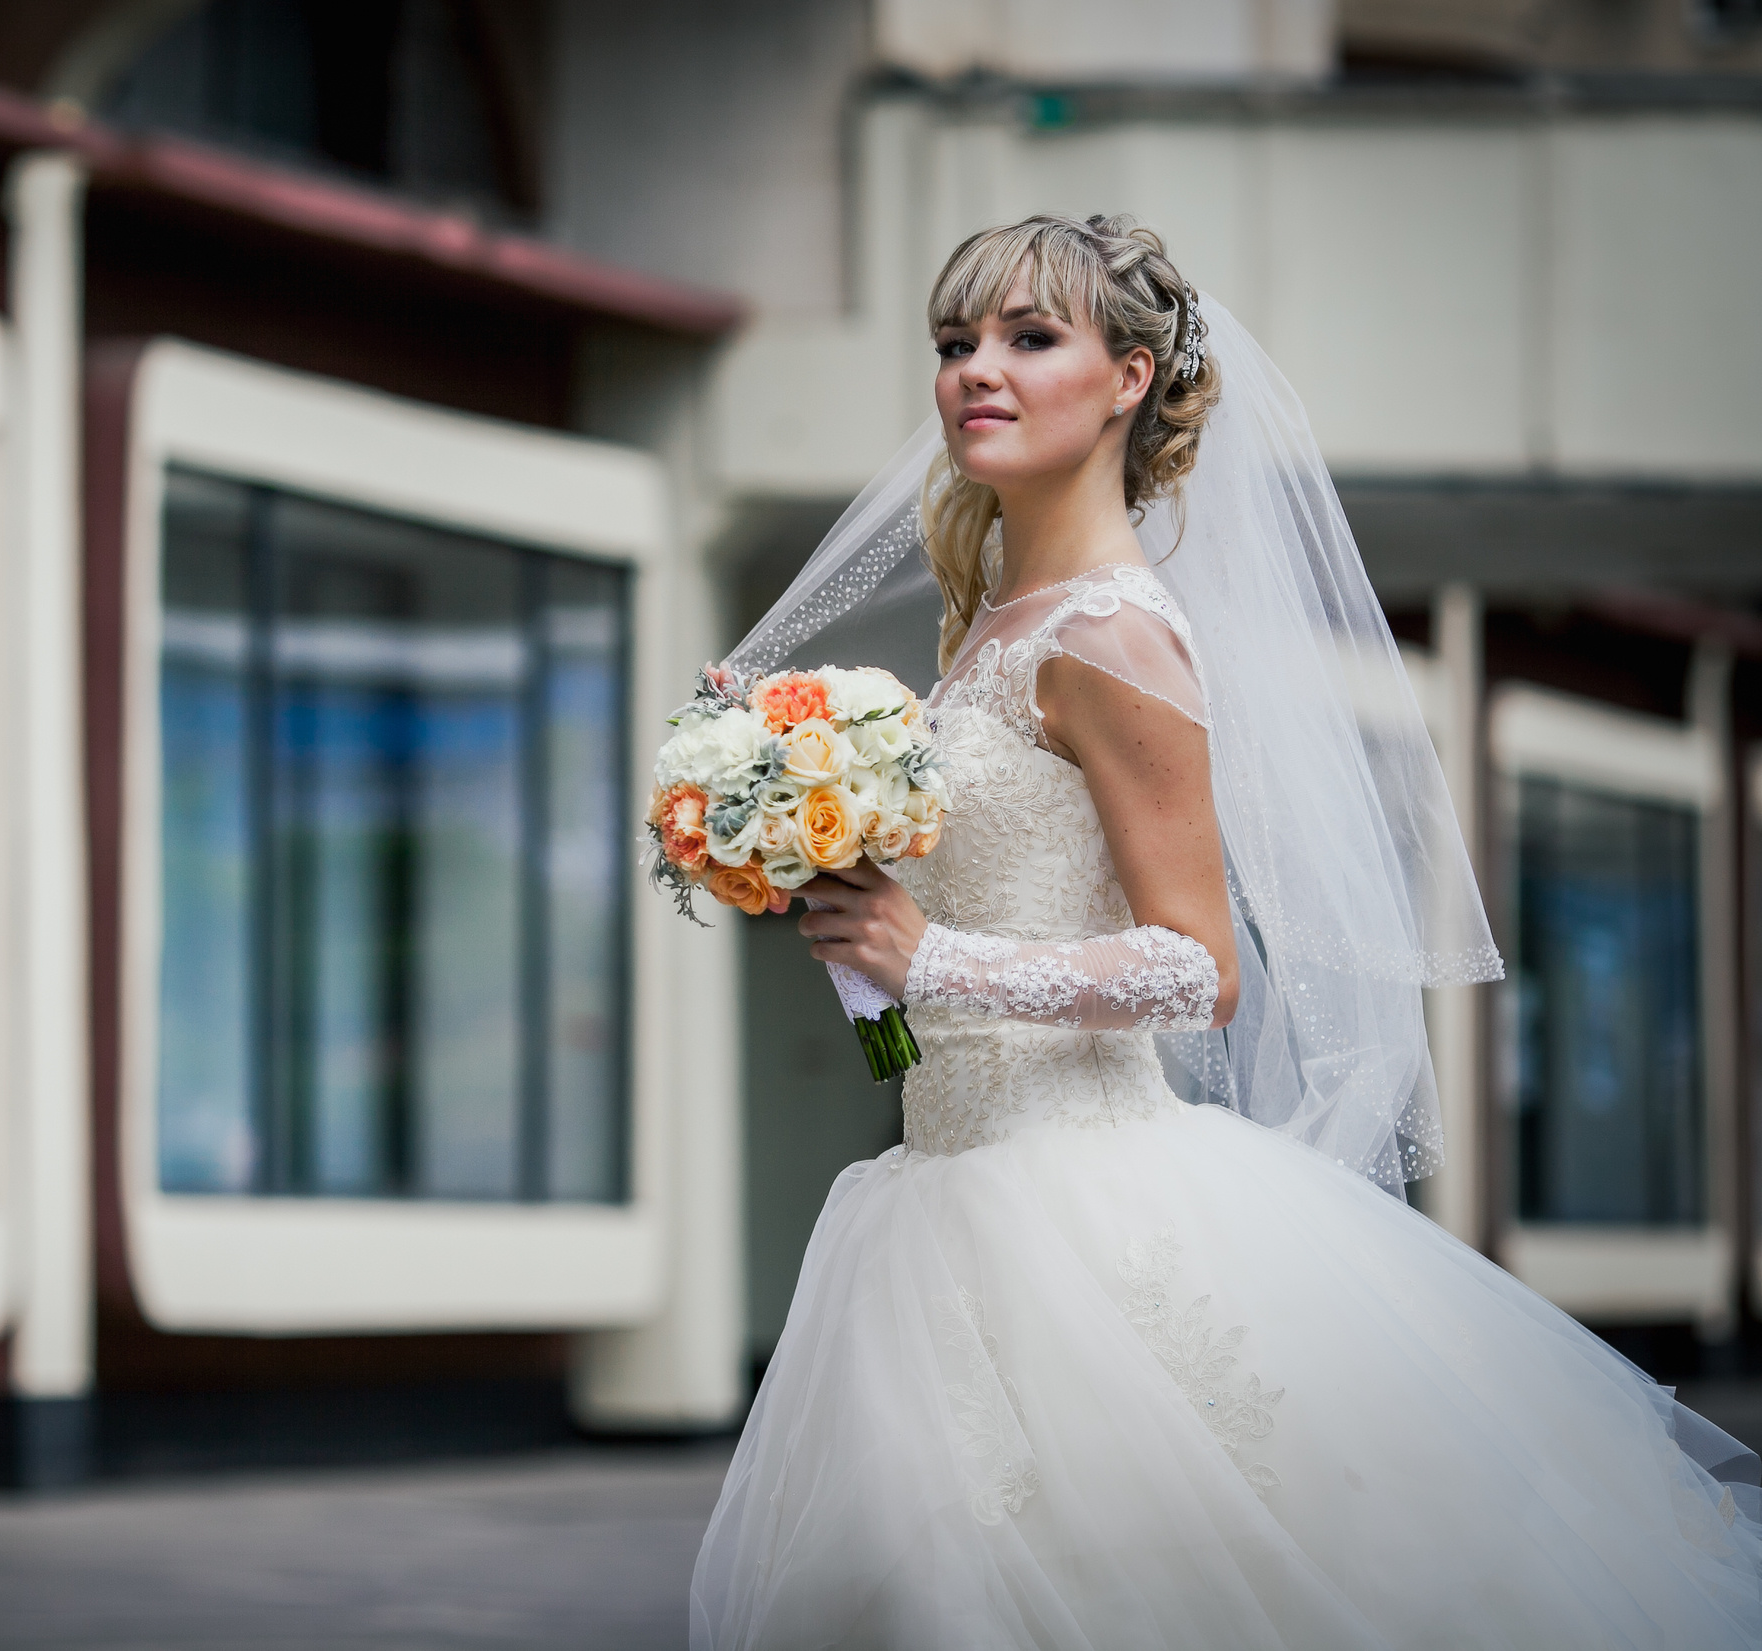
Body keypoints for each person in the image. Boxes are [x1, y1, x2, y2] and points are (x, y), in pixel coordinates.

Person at [689, 215, 1762, 1649]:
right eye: (955, 343)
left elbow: (1202, 968)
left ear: (1129, 379)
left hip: (1079, 1213)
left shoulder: (1111, 636)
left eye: (1028, 338)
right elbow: (914, 997)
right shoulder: (988, 631)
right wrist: (846, 920)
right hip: (936, 1193)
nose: (975, 372)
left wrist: (929, 957)